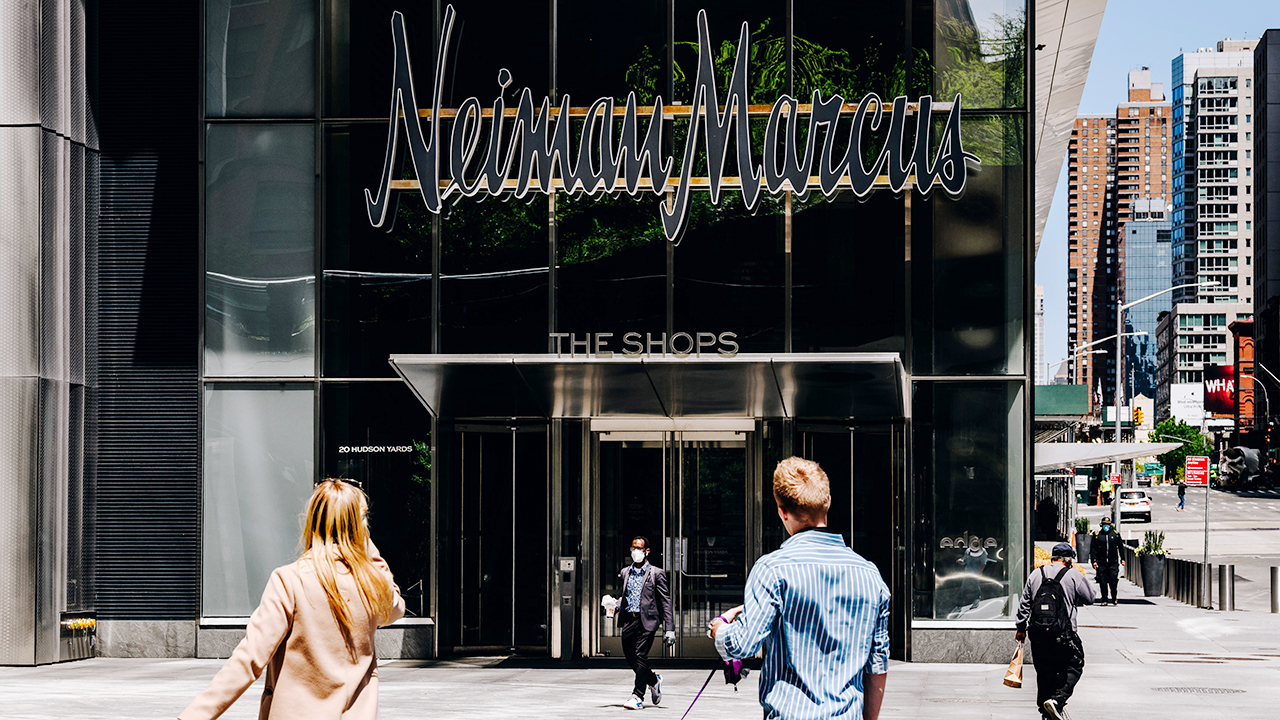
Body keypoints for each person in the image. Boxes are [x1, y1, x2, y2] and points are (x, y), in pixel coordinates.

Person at [179, 479, 405, 720]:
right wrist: (366, 547)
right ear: (360, 527)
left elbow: (249, 658)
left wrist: (195, 716)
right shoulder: (372, 584)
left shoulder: (289, 580)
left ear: (313, 522)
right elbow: (395, 610)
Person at [710, 457, 890, 720]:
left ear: (782, 512)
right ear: (827, 501)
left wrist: (720, 629)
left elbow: (744, 645)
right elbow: (877, 665)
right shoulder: (870, 575)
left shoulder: (772, 569)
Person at [1016, 543, 1095, 720]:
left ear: (1052, 557)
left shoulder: (1036, 574)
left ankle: (1045, 711)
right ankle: (1057, 700)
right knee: (1074, 665)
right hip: (1063, 635)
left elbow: (1024, 605)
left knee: (1044, 672)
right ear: (1068, 560)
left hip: (1038, 635)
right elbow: (1091, 597)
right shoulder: (1073, 574)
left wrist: (1020, 628)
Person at [616, 536, 675, 710]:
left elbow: (665, 601)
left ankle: (637, 696)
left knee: (641, 655)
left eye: (639, 549)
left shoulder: (656, 573)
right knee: (630, 656)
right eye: (633, 548)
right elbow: (627, 597)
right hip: (629, 619)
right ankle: (653, 680)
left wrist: (669, 628)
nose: (636, 552)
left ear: (647, 551)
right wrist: (616, 605)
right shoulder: (626, 571)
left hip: (648, 620)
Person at [1091, 516, 1124, 606]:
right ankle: (1104, 599)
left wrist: (1123, 558)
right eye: (1104, 525)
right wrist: (1093, 561)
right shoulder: (1097, 536)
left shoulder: (1115, 534)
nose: (1106, 526)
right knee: (1103, 582)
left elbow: (1121, 547)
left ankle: (1114, 597)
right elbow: (1093, 549)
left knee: (1113, 580)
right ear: (1102, 525)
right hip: (1101, 563)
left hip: (1113, 562)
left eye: (1108, 525)